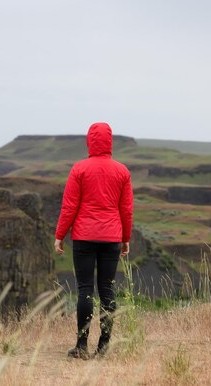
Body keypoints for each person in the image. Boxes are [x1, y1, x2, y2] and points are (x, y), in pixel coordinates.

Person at [54, 122, 133, 359]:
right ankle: (104, 347)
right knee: (107, 289)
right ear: (110, 142)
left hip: (84, 238)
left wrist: (59, 235)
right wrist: (125, 238)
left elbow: (69, 206)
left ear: (89, 141)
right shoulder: (122, 171)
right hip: (111, 239)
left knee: (85, 291)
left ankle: (81, 346)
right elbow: (126, 209)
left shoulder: (79, 169)